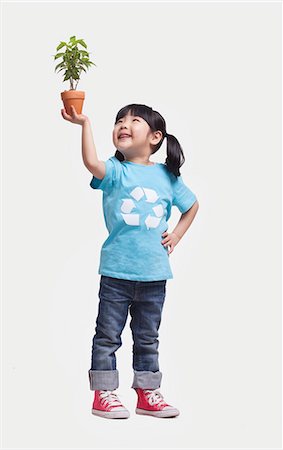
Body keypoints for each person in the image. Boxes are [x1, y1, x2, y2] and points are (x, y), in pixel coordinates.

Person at [61, 103, 199, 419]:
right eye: (119, 121)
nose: (123, 124)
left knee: (147, 337)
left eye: (133, 121)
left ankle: (147, 393)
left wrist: (176, 235)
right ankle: (104, 393)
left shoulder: (167, 175)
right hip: (116, 272)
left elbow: (191, 206)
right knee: (108, 335)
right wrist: (85, 125)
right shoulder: (115, 170)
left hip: (154, 274)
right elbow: (91, 162)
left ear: (155, 137)